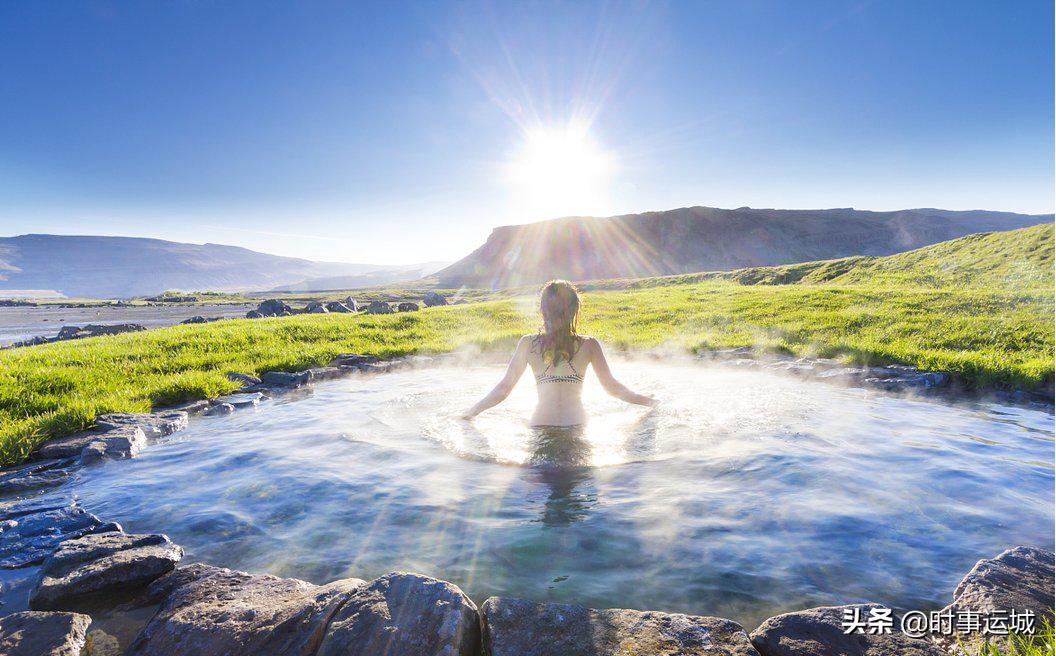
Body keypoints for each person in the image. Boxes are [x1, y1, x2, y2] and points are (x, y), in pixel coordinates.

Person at [461, 280, 657, 426]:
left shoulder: (528, 344)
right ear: (574, 310)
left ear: (543, 310)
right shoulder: (590, 345)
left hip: (541, 426)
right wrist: (650, 402)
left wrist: (470, 413)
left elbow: (503, 390)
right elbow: (613, 388)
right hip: (576, 426)